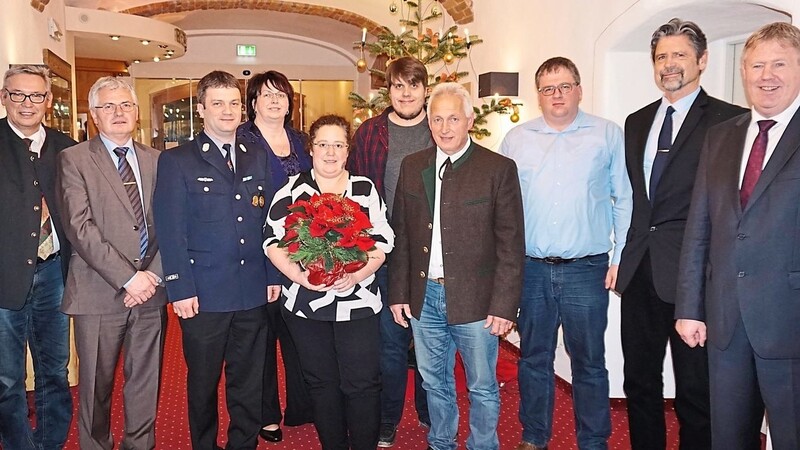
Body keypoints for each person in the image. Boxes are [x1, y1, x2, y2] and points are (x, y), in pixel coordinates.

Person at [616, 18, 747, 450]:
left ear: (702, 61)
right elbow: (637, 200)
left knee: (696, 391)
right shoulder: (636, 122)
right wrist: (621, 257)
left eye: (679, 55)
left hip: (696, 278)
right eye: (661, 57)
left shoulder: (731, 121)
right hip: (639, 273)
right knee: (639, 382)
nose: (669, 64)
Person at [676, 21, 800, 449]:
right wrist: (690, 307)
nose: (767, 75)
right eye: (757, 65)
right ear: (744, 72)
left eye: (779, 64)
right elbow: (699, 228)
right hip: (725, 321)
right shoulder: (721, 137)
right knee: (728, 437)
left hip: (790, 322)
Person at [501, 57, 632, 450]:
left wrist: (620, 256)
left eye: (564, 86)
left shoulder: (607, 135)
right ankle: (533, 436)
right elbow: (504, 208)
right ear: (538, 95)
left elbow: (623, 198)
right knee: (533, 359)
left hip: (586, 270)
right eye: (547, 88)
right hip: (532, 269)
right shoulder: (516, 140)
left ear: (579, 89)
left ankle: (594, 440)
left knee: (589, 363)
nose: (556, 95)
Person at [390, 82, 525, 450]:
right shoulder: (413, 165)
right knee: (434, 381)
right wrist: (399, 293)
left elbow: (511, 245)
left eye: (453, 118)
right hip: (424, 297)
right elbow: (402, 234)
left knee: (482, 387)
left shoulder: (497, 169)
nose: (445, 127)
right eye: (437, 119)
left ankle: (483, 445)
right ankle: (441, 443)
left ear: (469, 120)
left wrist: (503, 305)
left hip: (477, 301)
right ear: (428, 124)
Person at [154, 70, 278, 450]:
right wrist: (180, 288)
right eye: (218, 103)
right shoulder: (178, 161)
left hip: (253, 291)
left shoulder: (257, 155)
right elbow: (171, 231)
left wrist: (273, 274)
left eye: (234, 103)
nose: (227, 111)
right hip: (203, 295)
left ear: (243, 108)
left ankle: (243, 443)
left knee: (248, 379)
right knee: (203, 383)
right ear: (201, 108)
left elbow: (271, 220)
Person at [264, 114, 394, 450]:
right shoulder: (292, 189)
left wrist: (357, 274)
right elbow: (271, 240)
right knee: (322, 383)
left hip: (359, 302)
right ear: (311, 149)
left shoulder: (364, 188)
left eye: (338, 144)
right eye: (323, 144)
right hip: (306, 304)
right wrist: (300, 277)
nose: (330, 152)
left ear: (348, 150)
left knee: (362, 383)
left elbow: (383, 240)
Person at [56, 76, 166, 450]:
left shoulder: (156, 159)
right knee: (94, 388)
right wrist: (127, 278)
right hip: (98, 292)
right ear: (93, 115)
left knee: (145, 382)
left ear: (136, 112)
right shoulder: (73, 159)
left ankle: (140, 445)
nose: (118, 113)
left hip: (151, 291)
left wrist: (151, 275)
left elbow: (173, 223)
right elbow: (78, 227)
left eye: (126, 105)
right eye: (109, 106)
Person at [346, 55, 431, 447]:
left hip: (432, 252)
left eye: (413, 85)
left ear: (424, 89)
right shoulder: (370, 133)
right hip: (384, 255)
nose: (406, 92)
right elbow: (355, 196)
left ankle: (431, 412)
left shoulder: (440, 127)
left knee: (432, 339)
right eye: (399, 86)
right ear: (390, 90)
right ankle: (388, 419)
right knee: (391, 345)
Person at [0, 65, 75, 450]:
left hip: (54, 275)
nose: (26, 103)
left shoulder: (67, 147)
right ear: (4, 97)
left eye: (35, 95)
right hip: (4, 278)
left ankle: (50, 443)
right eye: (17, 94)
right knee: (6, 378)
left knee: (54, 372)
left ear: (48, 100)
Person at [237, 70, 313, 443]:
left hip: (301, 251)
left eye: (281, 94)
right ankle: (267, 413)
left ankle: (302, 405)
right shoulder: (241, 140)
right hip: (255, 254)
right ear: (252, 102)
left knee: (300, 333)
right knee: (262, 340)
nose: (274, 100)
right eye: (266, 94)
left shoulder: (300, 140)